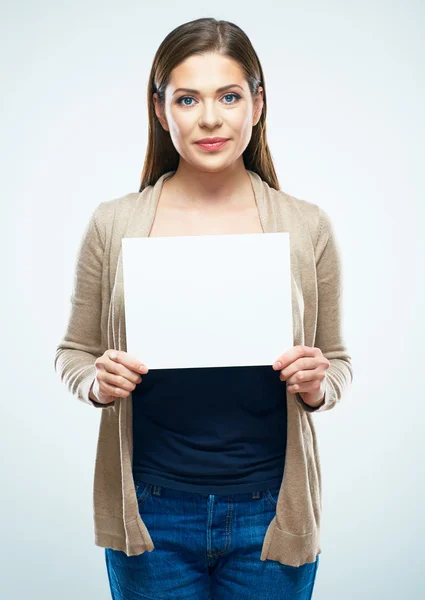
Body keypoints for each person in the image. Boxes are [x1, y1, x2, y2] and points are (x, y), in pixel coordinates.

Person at [55, 16, 353, 600]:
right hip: (151, 514)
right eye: (187, 98)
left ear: (257, 104)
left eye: (229, 96)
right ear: (161, 109)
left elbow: (337, 358)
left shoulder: (306, 225)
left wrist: (319, 384)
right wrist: (97, 379)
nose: (209, 118)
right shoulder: (114, 223)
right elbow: (74, 352)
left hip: (271, 513)